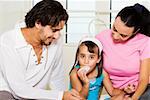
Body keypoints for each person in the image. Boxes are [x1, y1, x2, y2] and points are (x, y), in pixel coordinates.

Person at [0, 0, 82, 100]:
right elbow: (19, 90)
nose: (57, 36)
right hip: (9, 93)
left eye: (59, 30)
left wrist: (64, 96)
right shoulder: (8, 41)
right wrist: (60, 96)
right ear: (38, 23)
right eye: (54, 30)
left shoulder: (55, 40)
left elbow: (56, 78)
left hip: (37, 94)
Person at [96, 3, 150, 100]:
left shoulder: (145, 42)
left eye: (123, 35)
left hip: (141, 90)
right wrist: (113, 91)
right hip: (117, 91)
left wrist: (134, 98)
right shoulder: (101, 38)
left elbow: (144, 79)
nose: (115, 36)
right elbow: (98, 68)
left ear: (135, 32)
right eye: (114, 29)